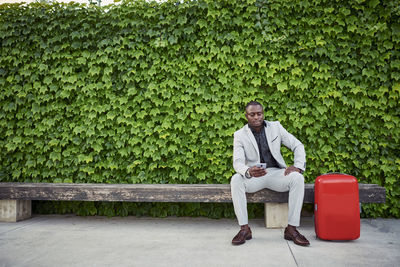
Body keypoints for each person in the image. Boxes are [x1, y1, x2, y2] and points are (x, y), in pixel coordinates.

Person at [230, 101, 310, 246]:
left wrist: (298, 167)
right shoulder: (240, 135)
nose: (256, 117)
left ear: (263, 113)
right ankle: (244, 229)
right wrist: (248, 171)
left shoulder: (276, 127)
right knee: (236, 180)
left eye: (259, 114)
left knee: (298, 178)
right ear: (246, 116)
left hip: (276, 174)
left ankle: (291, 229)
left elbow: (297, 145)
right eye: (252, 114)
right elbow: (237, 162)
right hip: (254, 177)